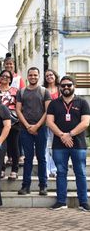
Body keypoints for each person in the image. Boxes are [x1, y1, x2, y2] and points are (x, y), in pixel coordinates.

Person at [47, 76, 90, 211]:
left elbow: (85, 123)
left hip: (78, 144)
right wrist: (62, 135)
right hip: (59, 145)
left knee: (81, 173)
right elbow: (49, 122)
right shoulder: (54, 104)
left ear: (74, 86)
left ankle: (83, 202)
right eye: (63, 85)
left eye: (69, 85)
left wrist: (69, 135)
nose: (66, 87)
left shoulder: (83, 103)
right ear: (60, 87)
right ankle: (61, 201)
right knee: (61, 172)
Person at [16, 67, 51, 196]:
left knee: (41, 157)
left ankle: (43, 186)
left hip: (41, 129)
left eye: (35, 75)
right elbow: (18, 110)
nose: (33, 77)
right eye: (30, 75)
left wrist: (36, 126)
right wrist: (27, 126)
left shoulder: (44, 91)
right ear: (27, 76)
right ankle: (26, 186)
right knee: (28, 158)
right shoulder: (21, 92)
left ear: (39, 76)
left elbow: (48, 111)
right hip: (25, 130)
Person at [0, 70, 20, 180]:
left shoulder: (16, 91)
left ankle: (14, 170)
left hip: (13, 121)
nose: (4, 78)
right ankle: (1, 168)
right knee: (1, 146)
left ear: (11, 79)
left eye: (7, 76)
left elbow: (19, 106)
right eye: (2, 76)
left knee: (14, 146)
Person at [44, 69, 60, 178]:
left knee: (55, 146)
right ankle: (47, 169)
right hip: (46, 121)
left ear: (55, 76)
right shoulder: (43, 90)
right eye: (47, 76)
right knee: (46, 146)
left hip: (58, 122)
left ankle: (54, 169)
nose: (49, 77)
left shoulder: (60, 89)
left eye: (51, 75)